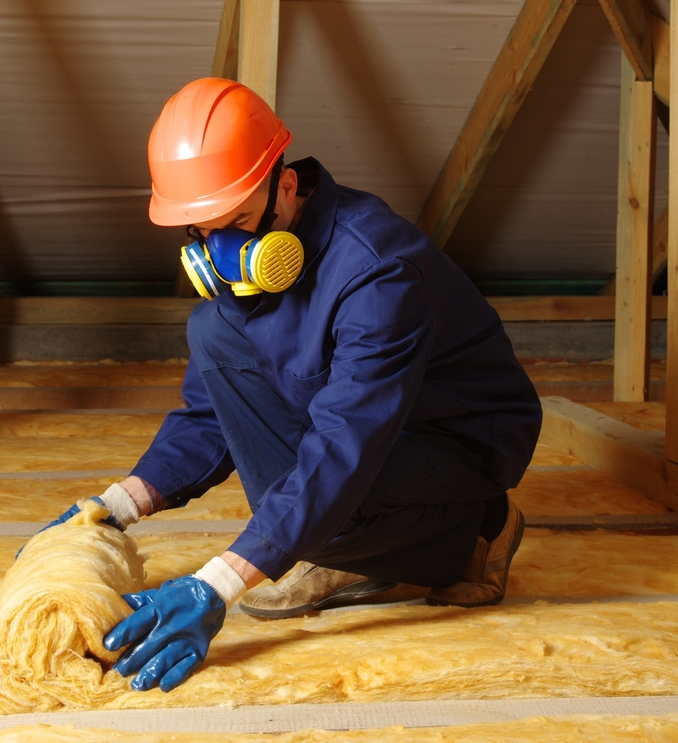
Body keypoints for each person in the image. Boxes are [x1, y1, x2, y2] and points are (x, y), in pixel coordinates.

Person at [36, 77, 542, 694]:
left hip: (452, 438)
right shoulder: (243, 283)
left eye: (240, 222)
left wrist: (217, 583)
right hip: (363, 430)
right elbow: (212, 415)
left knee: (301, 502)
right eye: (202, 232)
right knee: (216, 330)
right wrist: (115, 508)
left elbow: (345, 444)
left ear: (286, 185)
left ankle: (479, 529)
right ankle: (340, 543)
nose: (225, 250)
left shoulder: (375, 271)